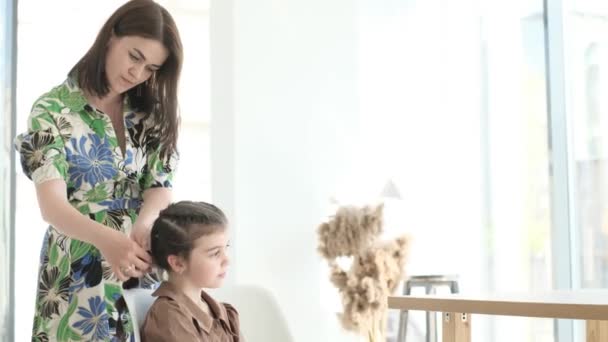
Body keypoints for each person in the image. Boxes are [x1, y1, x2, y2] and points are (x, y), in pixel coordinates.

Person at [13, 0, 183, 340]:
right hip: (76, 273)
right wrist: (107, 240)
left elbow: (159, 185)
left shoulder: (148, 112)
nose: (137, 73)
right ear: (111, 37)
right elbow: (53, 207)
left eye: (151, 68)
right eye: (134, 56)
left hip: (139, 266)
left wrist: (146, 222)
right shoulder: (54, 109)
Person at [141, 201, 241, 341]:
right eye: (215, 253)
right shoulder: (169, 317)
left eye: (227, 247)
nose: (227, 260)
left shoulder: (223, 314)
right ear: (178, 263)